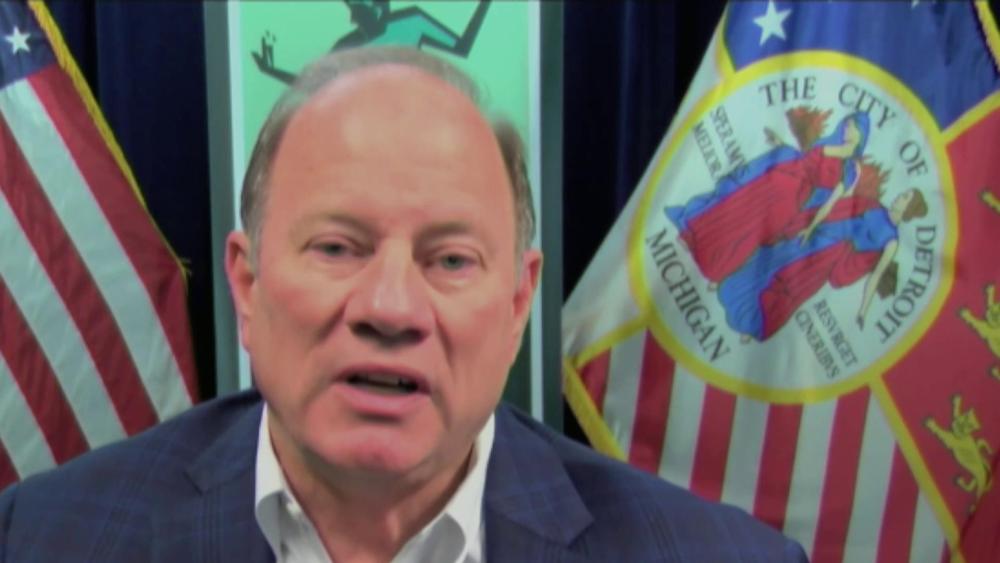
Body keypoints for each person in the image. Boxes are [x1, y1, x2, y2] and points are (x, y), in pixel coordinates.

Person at [0, 47, 806, 562]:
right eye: (337, 247)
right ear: (247, 284)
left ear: (518, 302)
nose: (390, 308)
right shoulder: (42, 540)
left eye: (450, 259)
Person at [667, 112, 870, 286]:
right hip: (781, 178)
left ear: (860, 132)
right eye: (847, 125)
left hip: (790, 194)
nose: (846, 129)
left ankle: (715, 265)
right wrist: (781, 143)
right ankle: (696, 239)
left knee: (752, 228)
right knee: (738, 209)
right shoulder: (835, 150)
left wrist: (811, 227)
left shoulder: (850, 170)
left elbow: (829, 204)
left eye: (851, 126)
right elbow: (805, 160)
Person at [717, 187, 928, 342]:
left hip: (828, 259)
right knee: (774, 257)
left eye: (905, 197)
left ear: (908, 209)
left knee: (788, 286)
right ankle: (735, 293)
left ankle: (751, 325)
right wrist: (812, 225)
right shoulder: (874, 205)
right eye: (903, 194)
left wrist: (863, 310)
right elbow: (841, 207)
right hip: (821, 233)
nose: (899, 196)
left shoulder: (892, 241)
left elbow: (876, 275)